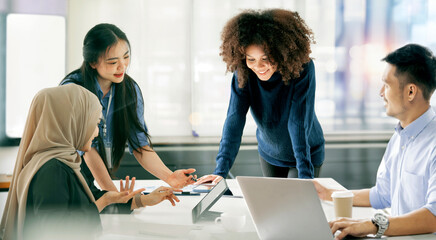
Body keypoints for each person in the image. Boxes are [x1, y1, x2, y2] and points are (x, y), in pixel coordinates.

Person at [0, 85, 179, 240]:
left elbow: (91, 201)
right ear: (72, 123)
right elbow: (55, 229)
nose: (96, 133)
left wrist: (144, 200)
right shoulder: (52, 170)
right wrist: (102, 202)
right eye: (94, 124)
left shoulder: (66, 162)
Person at [313, 44, 436, 239]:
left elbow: (433, 217)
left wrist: (372, 225)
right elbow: (382, 194)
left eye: (386, 85)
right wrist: (329, 194)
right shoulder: (399, 137)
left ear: (411, 92)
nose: (381, 93)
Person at [60, 23, 196, 192]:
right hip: (65, 171)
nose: (122, 66)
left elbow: (139, 144)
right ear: (93, 62)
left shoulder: (130, 90)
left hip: (97, 171)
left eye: (126, 57)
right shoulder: (74, 90)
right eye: (112, 61)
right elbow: (87, 149)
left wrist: (169, 177)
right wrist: (113, 195)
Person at [196, 9, 325, 184]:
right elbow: (234, 119)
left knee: (296, 204)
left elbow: (298, 121)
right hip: (270, 153)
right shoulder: (243, 73)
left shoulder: (302, 69)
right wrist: (220, 172)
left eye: (267, 58)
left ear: (281, 52)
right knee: (271, 209)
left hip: (306, 152)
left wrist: (305, 176)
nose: (259, 66)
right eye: (251, 59)